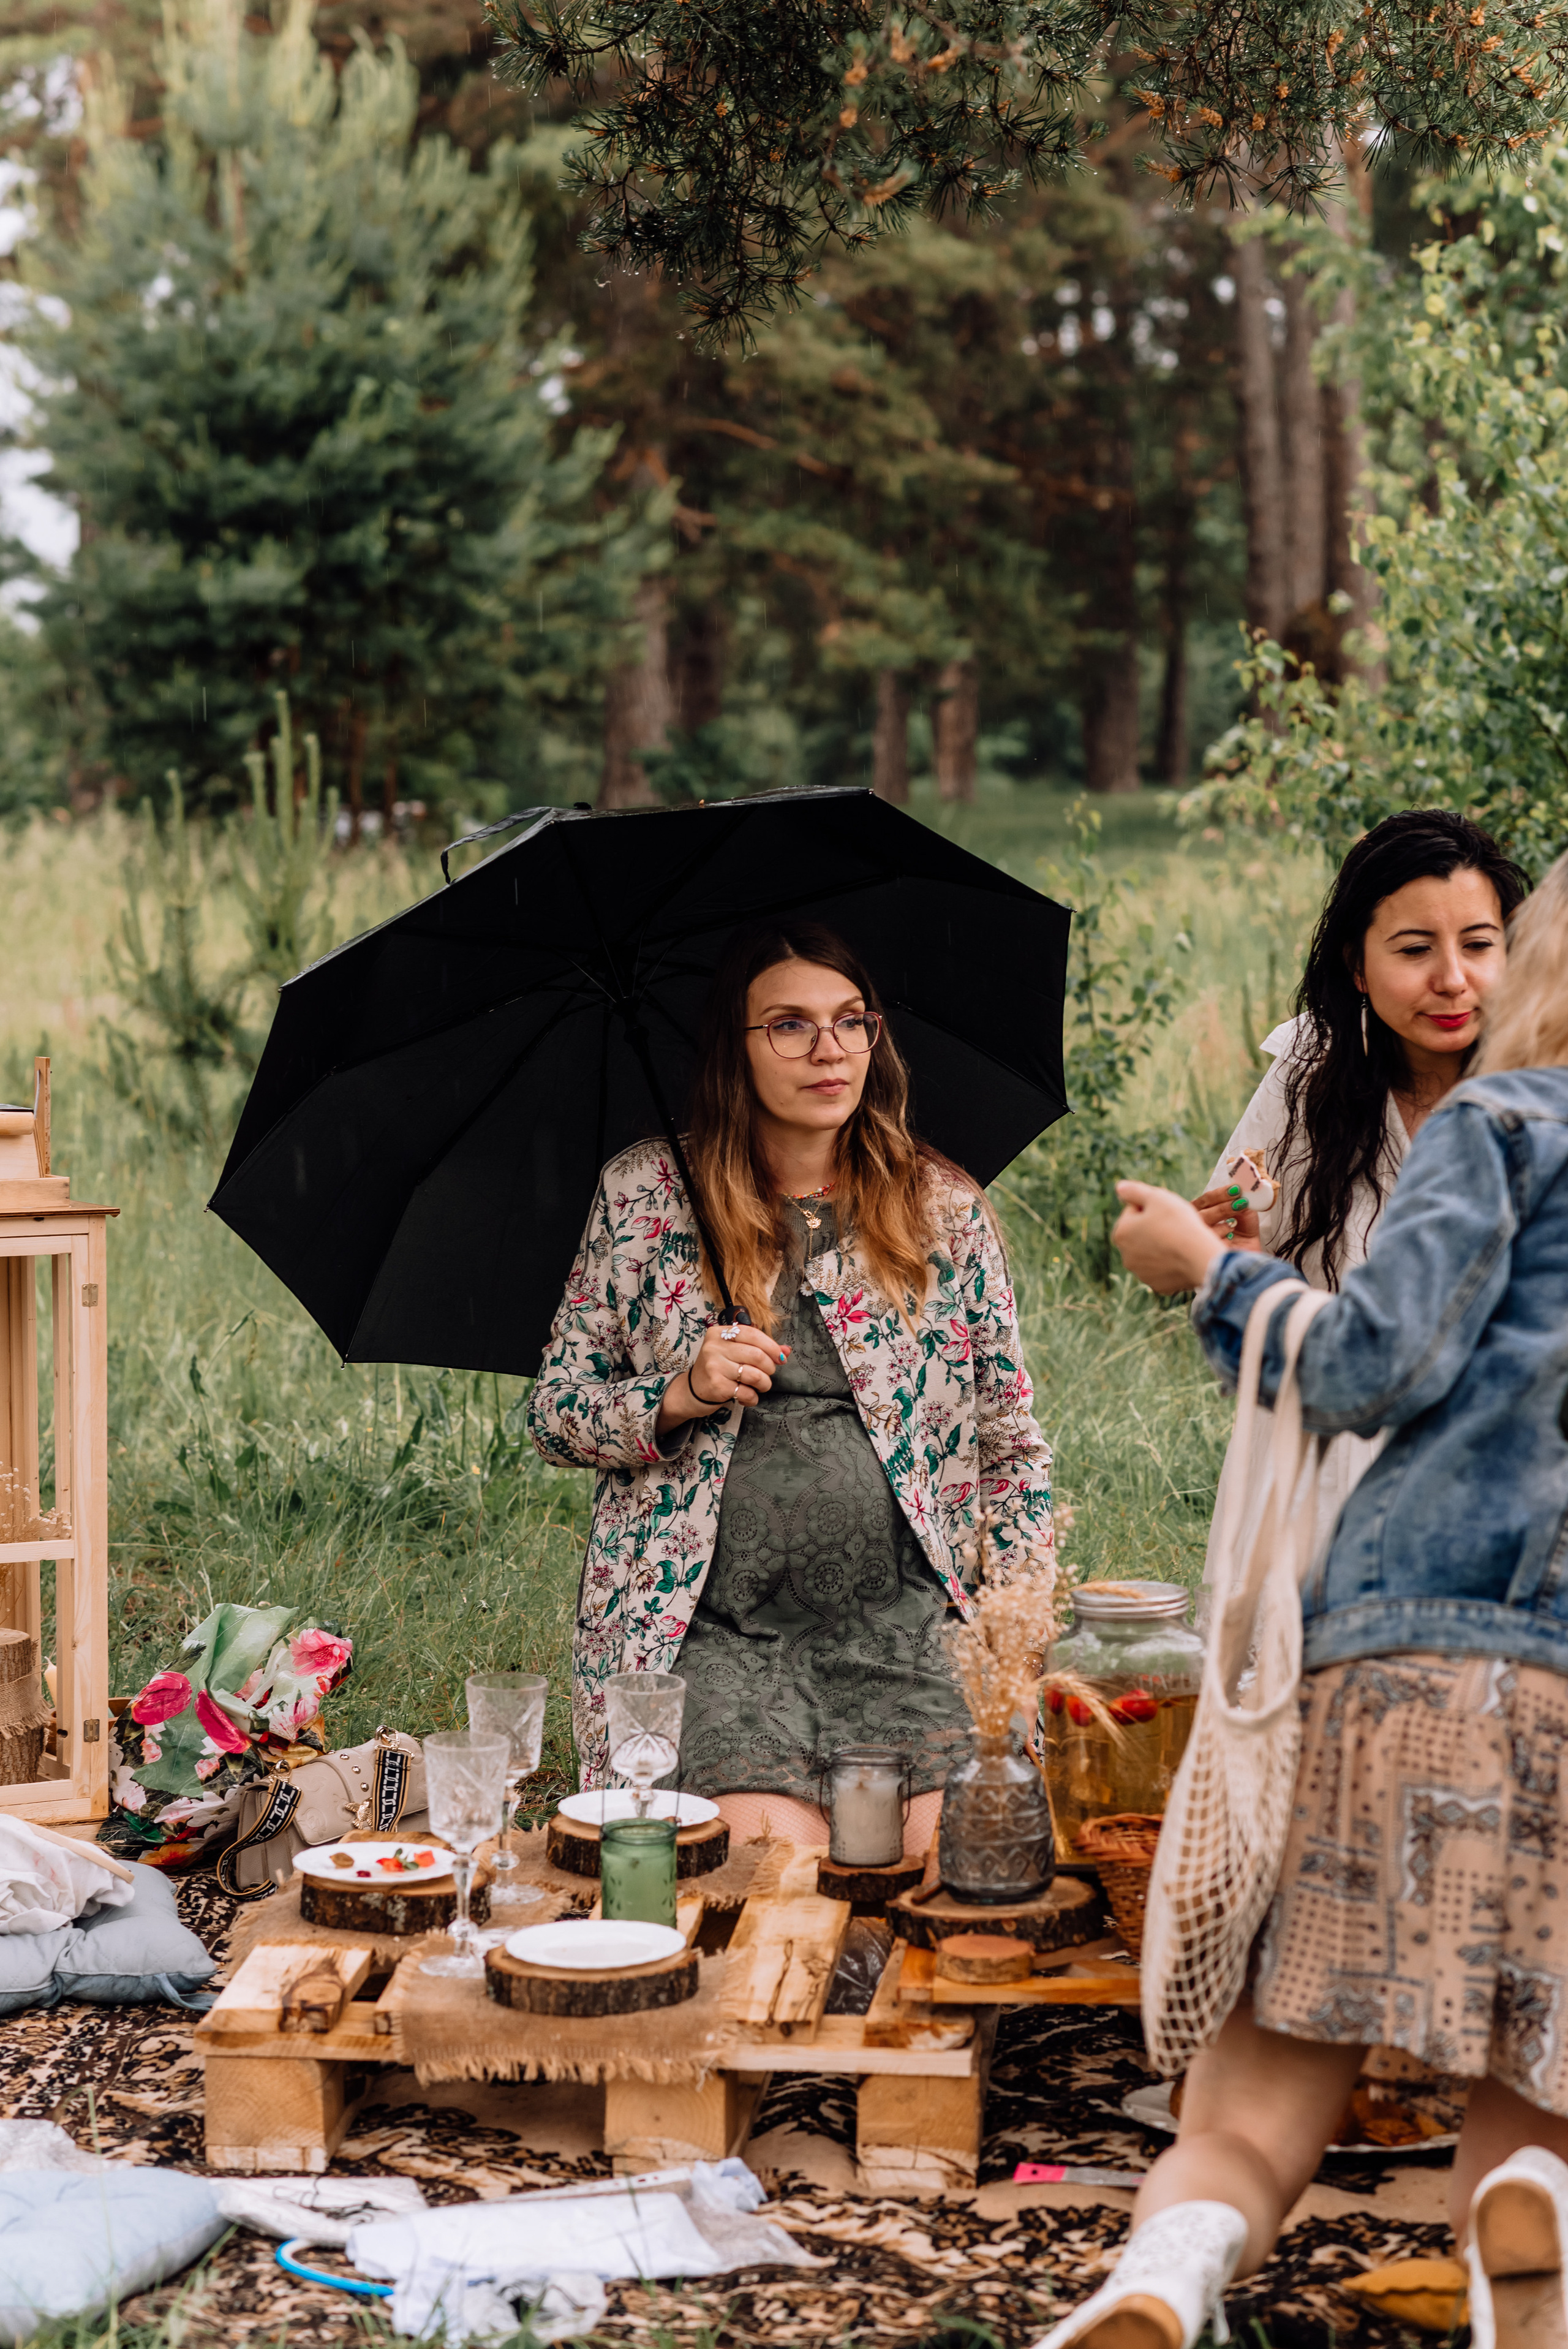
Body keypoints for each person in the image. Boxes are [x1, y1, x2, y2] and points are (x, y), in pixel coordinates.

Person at [1035, 853, 1568, 2349]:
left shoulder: (1502, 1122)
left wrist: (1205, 1270)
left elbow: (1360, 1370)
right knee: (1535, 2098)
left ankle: (1165, 2268)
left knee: (1253, 2103)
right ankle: (1526, 2193)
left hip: (1410, 1650)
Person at [530, 920, 1054, 1852]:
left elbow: (1009, 1441)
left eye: (852, 1021)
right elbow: (556, 1413)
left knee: (959, 1853)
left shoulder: (943, 1210)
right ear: (733, 1053)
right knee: (771, 1865)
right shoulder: (648, 1196)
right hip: (714, 1633)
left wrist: (1017, 1628)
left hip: (904, 1625)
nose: (830, 1049)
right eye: (789, 1025)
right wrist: (677, 1392)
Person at [1193, 810, 1525, 1573]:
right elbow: (1241, 1262)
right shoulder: (1308, 1076)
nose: (1452, 979)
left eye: (1479, 945)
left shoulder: (1539, 1097)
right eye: (1414, 949)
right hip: (1317, 1455)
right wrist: (1235, 1260)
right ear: (1356, 965)